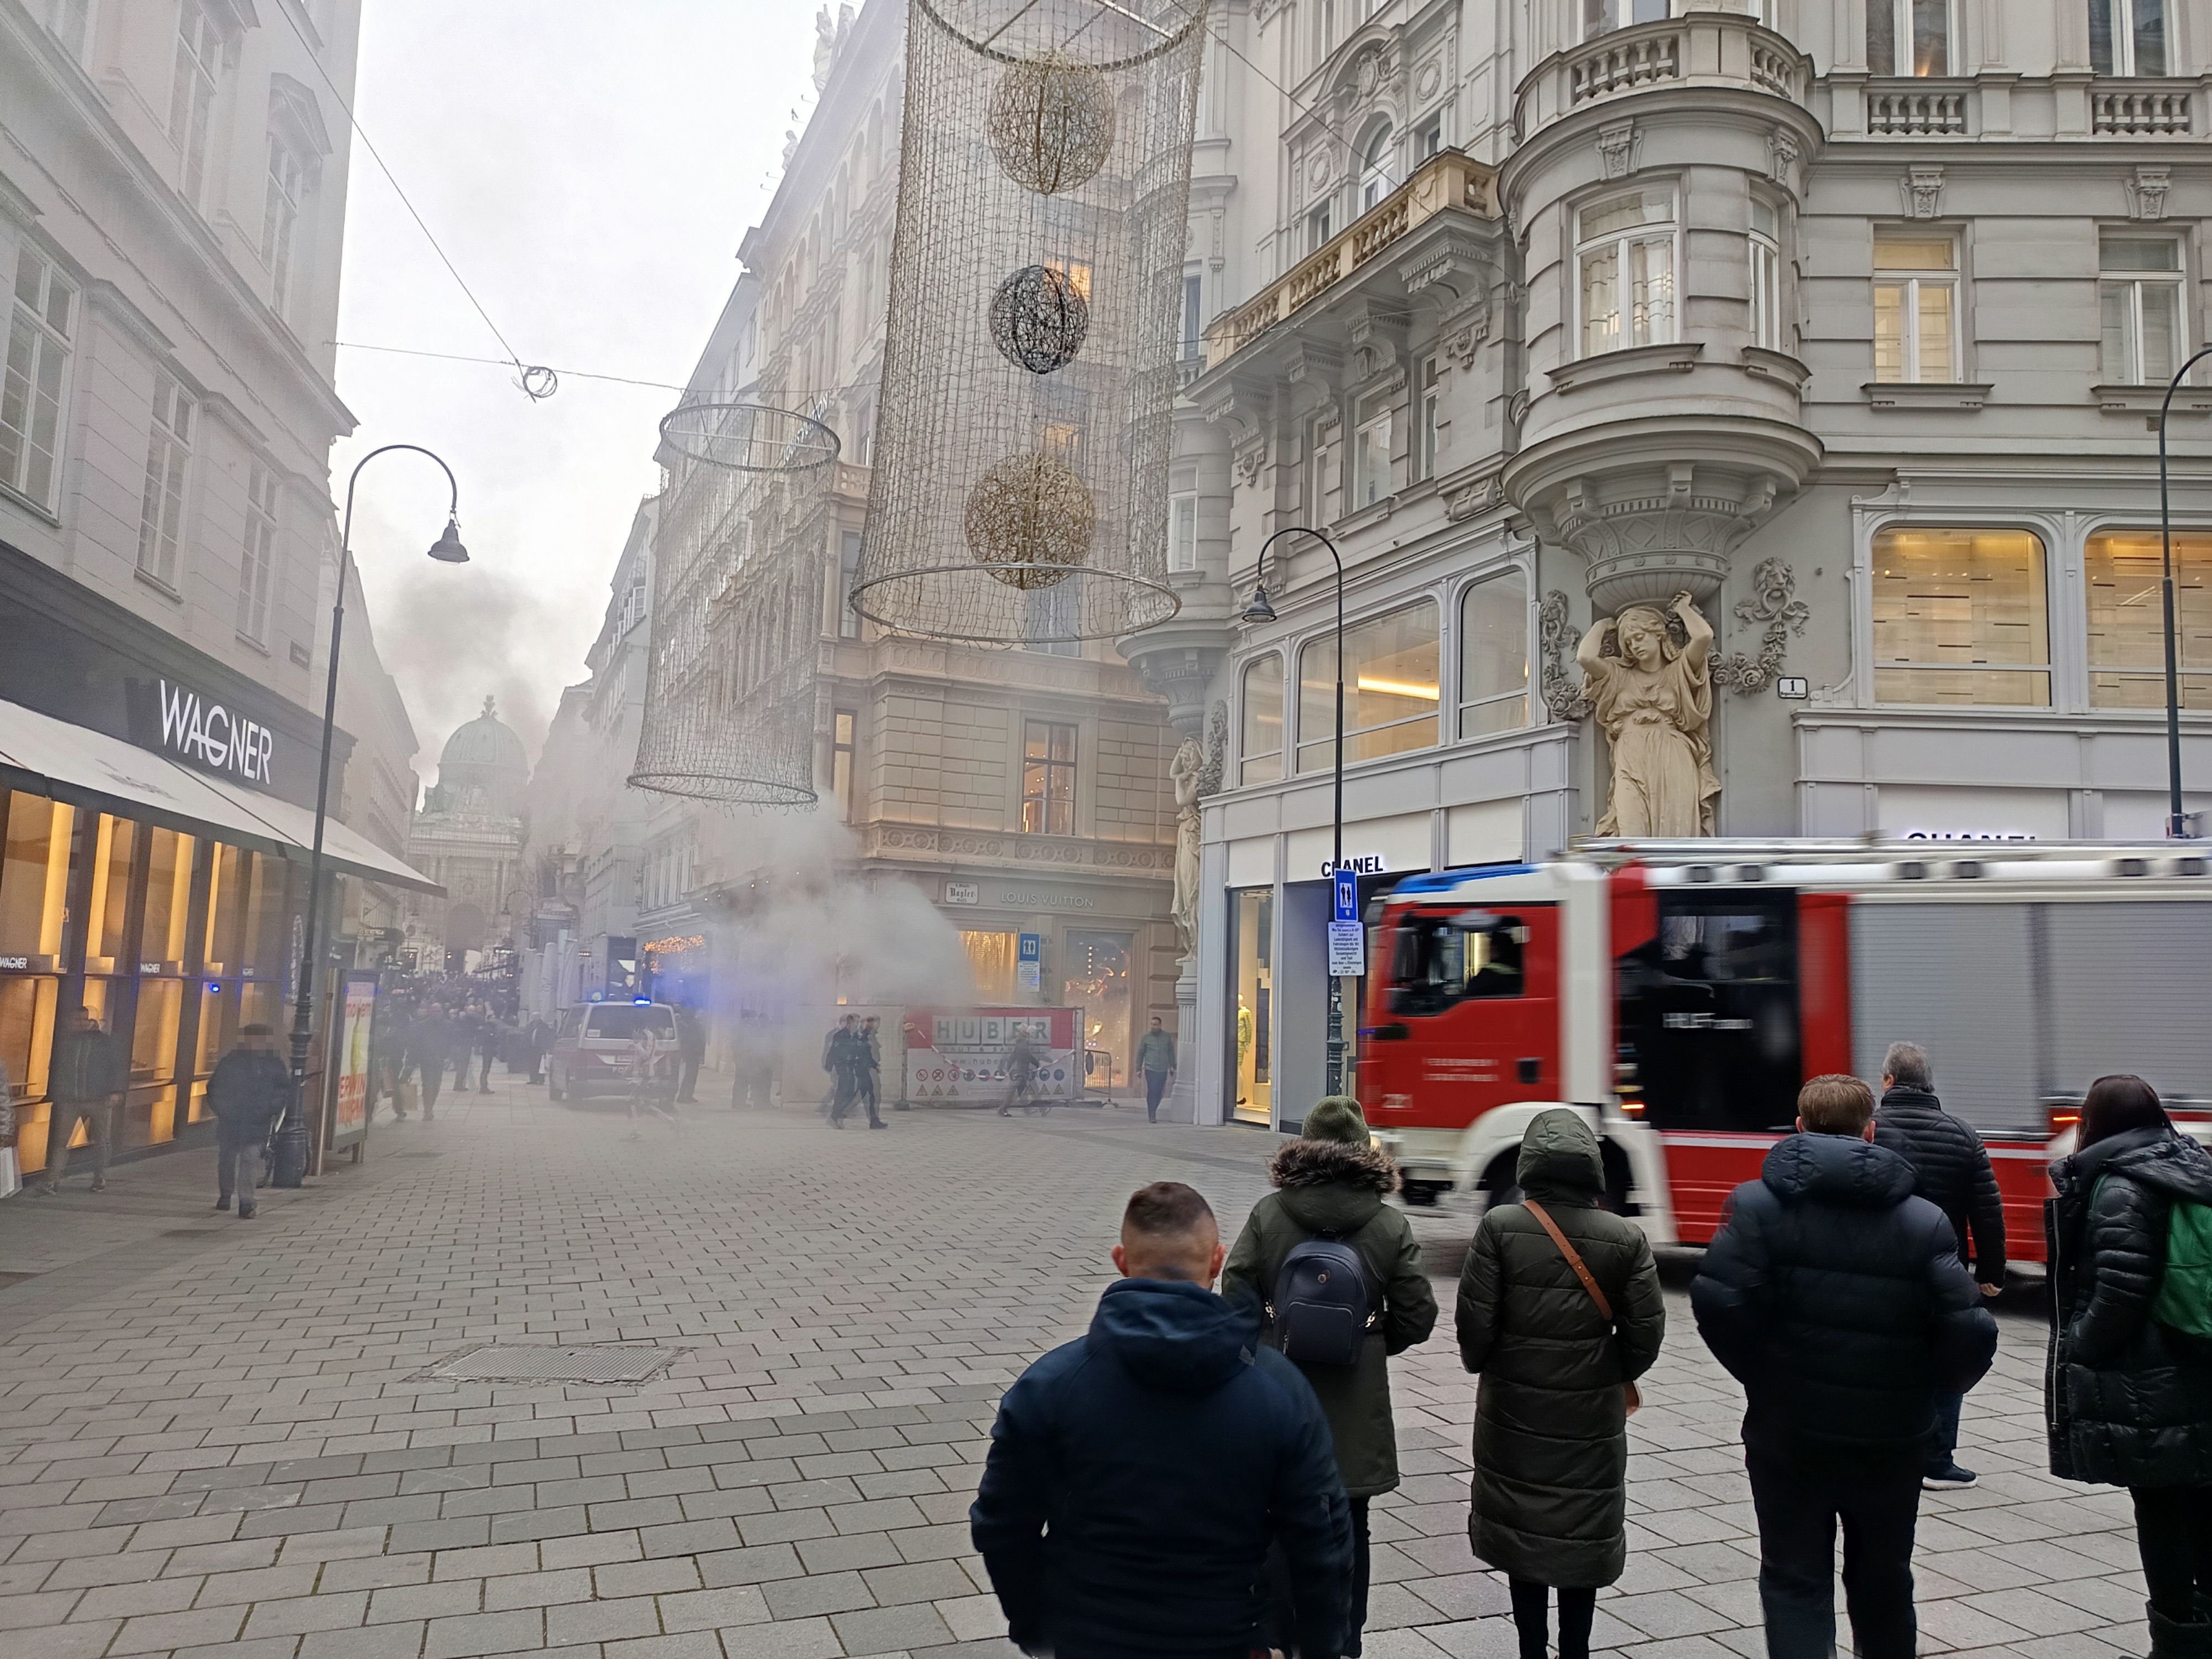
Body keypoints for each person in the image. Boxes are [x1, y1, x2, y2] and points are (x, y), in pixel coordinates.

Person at [971, 1181, 1354, 1659]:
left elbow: (1002, 1524)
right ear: (1216, 1262)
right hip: (1227, 1637)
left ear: (1121, 1261)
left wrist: (1035, 1627)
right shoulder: (1279, 1390)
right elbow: (1321, 1540)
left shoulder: (1050, 1385)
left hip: (1090, 1638)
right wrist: (1319, 1648)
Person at [1692, 1074, 1998, 1659]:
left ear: (1800, 1126)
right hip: (1890, 1438)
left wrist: (1762, 1375)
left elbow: (1717, 1302)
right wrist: (1927, 1393)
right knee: (1884, 1579)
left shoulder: (1756, 1206)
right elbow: (1972, 1331)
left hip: (1788, 1431)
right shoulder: (1924, 1221)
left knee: (1792, 1577)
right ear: (1870, 1131)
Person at [1221, 1097, 1436, 1658]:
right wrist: (1368, 1343)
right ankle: (1344, 1640)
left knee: (1275, 1518)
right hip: (1354, 1400)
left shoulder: (1270, 1214)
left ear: (1304, 1147)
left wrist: (1265, 1347)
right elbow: (1418, 1313)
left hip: (1277, 1393)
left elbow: (1236, 1294)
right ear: (1365, 1150)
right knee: (1351, 1523)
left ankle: (1278, 1638)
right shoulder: (1388, 1223)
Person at [1457, 1110, 1666, 1659]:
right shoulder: (1625, 1237)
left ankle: (1531, 1648)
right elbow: (1646, 1334)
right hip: (1589, 1416)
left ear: (1529, 1163)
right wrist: (1610, 1371)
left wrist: (1491, 1364)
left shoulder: (1500, 1227)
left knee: (1523, 1530)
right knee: (1580, 1531)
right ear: (1591, 1167)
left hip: (1513, 1411)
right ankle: (1576, 1649)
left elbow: (1475, 1326)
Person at [2047, 1074, 2212, 1659]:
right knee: (2201, 1502)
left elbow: (2121, 1288)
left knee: (2161, 1512)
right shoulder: (2191, 1163)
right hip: (2198, 1360)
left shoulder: (2120, 1186)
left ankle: (2177, 1645)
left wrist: (2083, 1345)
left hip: (2150, 1375)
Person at [1871, 1040, 2006, 1490]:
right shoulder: (1963, 1134)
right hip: (1944, 1269)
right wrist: (1991, 1274)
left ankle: (1887, 1449)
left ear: (1888, 1081)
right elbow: (1987, 1212)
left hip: (1879, 1266)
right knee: (1946, 1358)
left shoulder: (1870, 1130)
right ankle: (1937, 1459)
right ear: (1929, 1084)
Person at [34, 1005, 125, 1194]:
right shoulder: (66, 1042)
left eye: (84, 1019)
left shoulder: (103, 1041)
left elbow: (115, 1066)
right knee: (61, 1141)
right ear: (70, 1021)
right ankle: (52, 1181)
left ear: (90, 1020)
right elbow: (56, 1068)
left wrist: (116, 1091)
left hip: (98, 1099)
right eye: (77, 1020)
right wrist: (57, 1094)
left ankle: (99, 1176)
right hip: (70, 1099)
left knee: (101, 1141)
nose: (81, 1023)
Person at [205, 1024, 290, 1219]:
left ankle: (247, 1201)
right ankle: (226, 1194)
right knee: (227, 1158)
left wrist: (270, 1108)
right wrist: (224, 1110)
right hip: (231, 1120)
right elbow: (215, 1088)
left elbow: (282, 1090)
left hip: (257, 1120)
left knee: (250, 1158)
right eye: (252, 1039)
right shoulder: (231, 1062)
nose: (255, 1043)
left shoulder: (273, 1063)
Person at [626, 1019, 679, 1140]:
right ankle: (670, 1121)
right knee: (643, 1105)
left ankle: (635, 1130)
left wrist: (637, 1044)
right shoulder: (641, 1034)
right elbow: (637, 1054)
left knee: (632, 1102)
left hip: (644, 1075)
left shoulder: (648, 1036)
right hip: (639, 1073)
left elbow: (646, 1055)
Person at [407, 1001, 450, 1121]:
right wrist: (412, 1061)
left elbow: (452, 1042)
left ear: (442, 1012)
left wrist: (449, 1057)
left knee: (436, 1086)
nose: (435, 1013)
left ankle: (430, 1106)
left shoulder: (448, 1025)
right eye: (433, 1011)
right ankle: (428, 1109)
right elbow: (416, 1044)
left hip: (440, 1060)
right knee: (428, 1085)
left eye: (437, 1011)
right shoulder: (423, 1026)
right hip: (426, 1060)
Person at [1135, 1016, 1177, 1124]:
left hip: (1162, 1068)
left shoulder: (1166, 1037)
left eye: (1156, 1025)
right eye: (1152, 1024)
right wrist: (1138, 1068)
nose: (1153, 1026)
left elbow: (1171, 1052)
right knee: (1152, 1090)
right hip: (1150, 1069)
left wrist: (1172, 1065)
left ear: (1160, 1025)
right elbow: (1141, 1053)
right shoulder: (1146, 1038)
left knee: (1160, 1092)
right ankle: (1152, 1114)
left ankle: (1154, 1109)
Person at [998, 1027, 1041, 1117]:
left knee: (1021, 1091)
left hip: (1018, 1073)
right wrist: (1037, 1064)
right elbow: (1028, 1057)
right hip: (1019, 1073)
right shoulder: (1023, 1045)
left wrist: (1007, 1068)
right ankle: (1003, 1109)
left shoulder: (1020, 1044)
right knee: (1013, 1093)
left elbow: (1012, 1058)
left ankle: (1024, 1109)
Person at [674, 1005, 706, 1104]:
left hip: (689, 1053)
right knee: (691, 1076)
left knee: (689, 1076)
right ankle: (685, 1096)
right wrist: (701, 1054)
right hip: (693, 1054)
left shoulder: (686, 1024)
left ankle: (686, 1096)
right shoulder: (695, 1025)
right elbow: (700, 1040)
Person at [858, 1016, 883, 1121]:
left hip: (870, 1068)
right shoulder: (863, 1036)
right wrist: (874, 1065)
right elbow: (865, 1054)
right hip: (866, 1069)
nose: (876, 1025)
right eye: (874, 1023)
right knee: (868, 1095)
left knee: (872, 1095)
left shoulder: (871, 1036)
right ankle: (838, 1113)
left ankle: (874, 1119)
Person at [524, 1014, 551, 1086]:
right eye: (533, 1017)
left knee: (540, 1064)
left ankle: (541, 1080)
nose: (534, 1019)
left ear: (539, 1017)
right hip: (531, 1048)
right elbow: (527, 1035)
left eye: (536, 1017)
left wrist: (546, 1048)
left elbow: (546, 1037)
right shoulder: (530, 1026)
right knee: (532, 1064)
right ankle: (533, 1079)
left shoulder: (544, 1026)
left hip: (540, 1048)